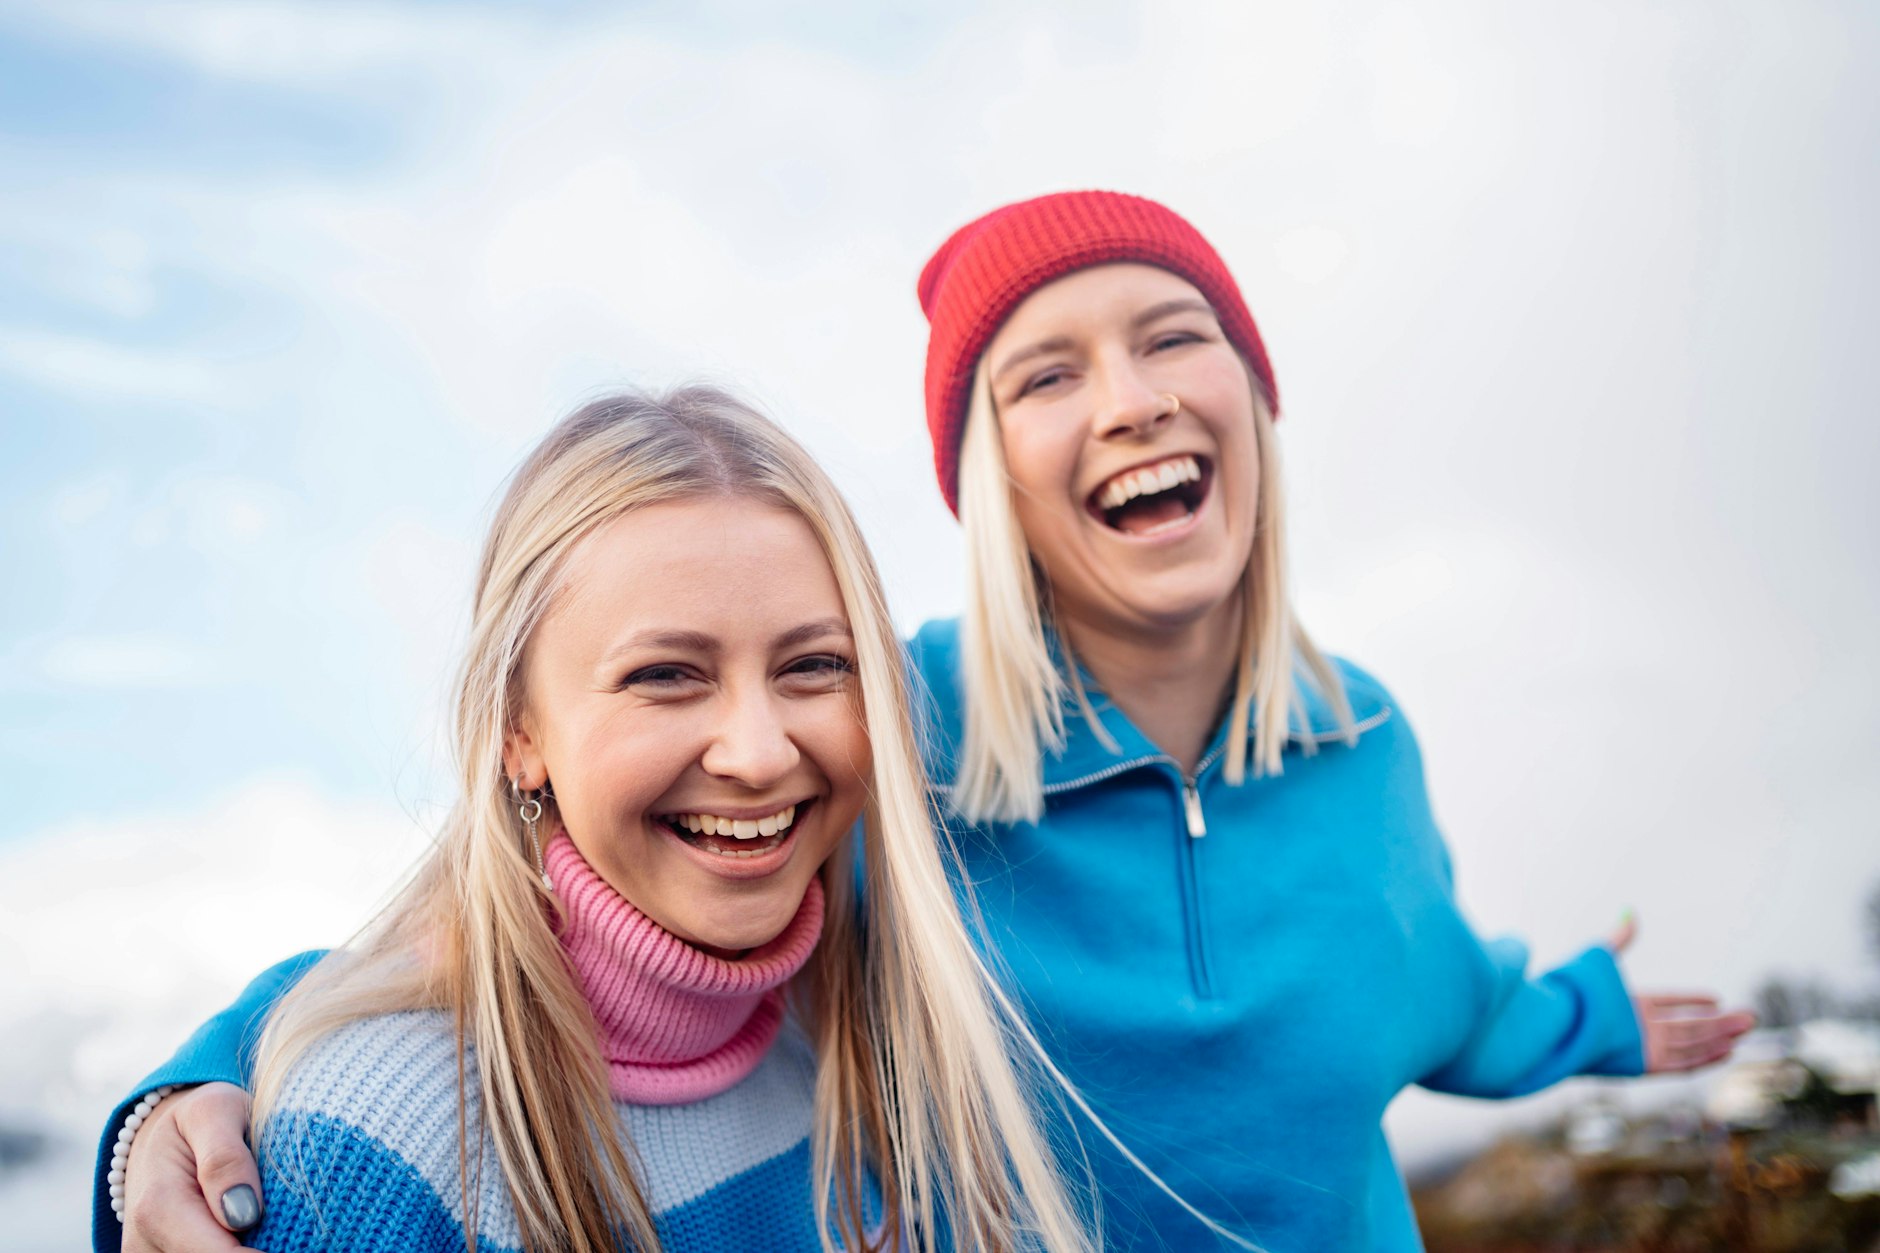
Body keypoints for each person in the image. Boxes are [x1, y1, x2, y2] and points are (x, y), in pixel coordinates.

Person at [98, 193, 1754, 1252]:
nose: (1130, 396)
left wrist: (1595, 1016)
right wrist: (203, 1081)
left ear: (1255, 405)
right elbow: (516, 903)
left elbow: (1437, 983)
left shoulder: (1364, 737)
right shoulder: (874, 722)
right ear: (984, 480)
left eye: (1178, 338)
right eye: (1044, 374)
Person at [100, 386, 1097, 1253]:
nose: (755, 751)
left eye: (813, 665)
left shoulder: (824, 1060)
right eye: (664, 675)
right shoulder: (376, 1154)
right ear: (516, 732)